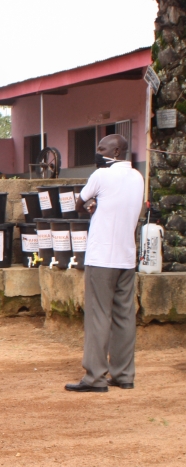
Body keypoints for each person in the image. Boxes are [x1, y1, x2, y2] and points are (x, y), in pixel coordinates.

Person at [65, 134, 144, 392]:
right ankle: (124, 374)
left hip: (101, 258)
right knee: (124, 316)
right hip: (126, 256)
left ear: (117, 151)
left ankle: (95, 377)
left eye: (102, 148)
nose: (98, 152)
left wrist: (90, 204)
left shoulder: (101, 175)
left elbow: (79, 204)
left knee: (98, 315)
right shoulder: (138, 177)